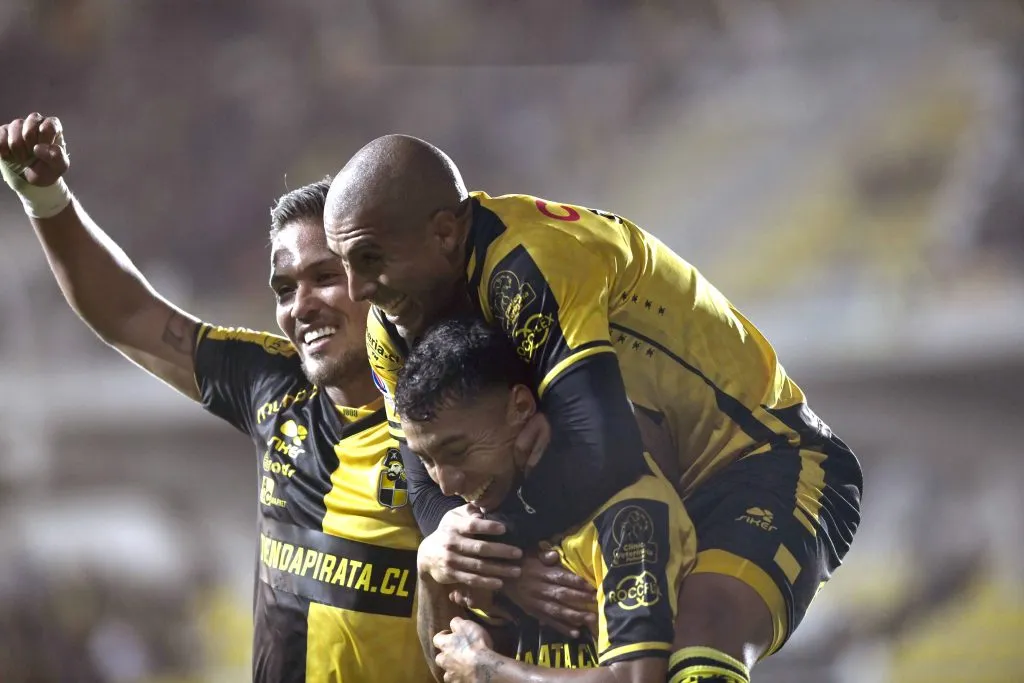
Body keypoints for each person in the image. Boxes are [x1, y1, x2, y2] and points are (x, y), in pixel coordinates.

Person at [325, 134, 864, 682]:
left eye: (369, 258)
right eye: (342, 263)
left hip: (763, 464)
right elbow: (426, 490)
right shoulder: (393, 327)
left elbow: (601, 450)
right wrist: (461, 559)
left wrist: (504, 570)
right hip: (621, 485)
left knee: (698, 649)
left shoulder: (530, 262)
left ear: (443, 232)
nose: (357, 289)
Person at [0, 113, 435, 683]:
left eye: (323, 276)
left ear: (375, 274)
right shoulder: (271, 382)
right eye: (284, 288)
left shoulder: (447, 410)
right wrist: (46, 196)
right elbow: (128, 314)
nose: (300, 306)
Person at [397, 317, 698, 682]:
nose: (446, 485)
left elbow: (637, 679)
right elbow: (448, 667)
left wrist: (488, 670)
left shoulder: (629, 513)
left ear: (521, 407)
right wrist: (427, 572)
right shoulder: (491, 515)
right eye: (427, 460)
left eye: (458, 451)